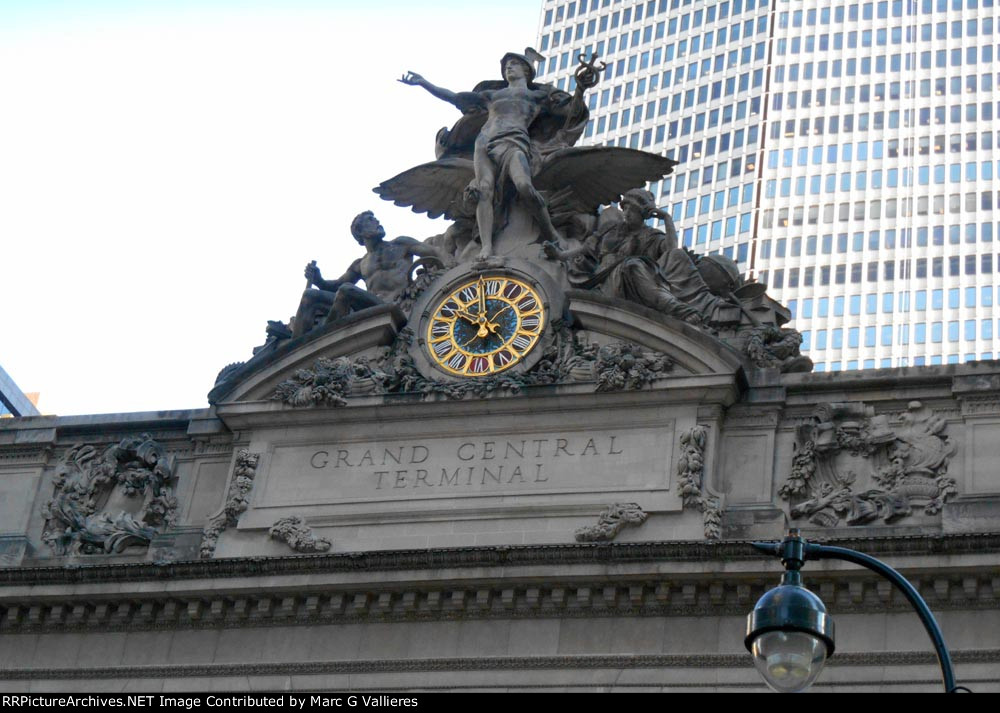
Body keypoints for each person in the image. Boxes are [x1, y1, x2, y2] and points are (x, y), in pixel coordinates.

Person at [400, 50, 589, 257]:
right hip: (484, 143)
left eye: (514, 64)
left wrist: (581, 88)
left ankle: (551, 234)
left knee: (524, 186)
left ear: (526, 70)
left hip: (514, 141)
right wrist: (424, 83)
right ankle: (487, 246)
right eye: (506, 65)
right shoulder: (492, 95)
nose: (508, 68)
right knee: (484, 190)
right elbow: (455, 97)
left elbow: (572, 113)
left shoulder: (539, 96)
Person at [543, 189, 702, 324]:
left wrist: (666, 218)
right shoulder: (610, 228)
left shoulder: (651, 235)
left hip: (633, 279)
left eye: (631, 209)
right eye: (624, 209)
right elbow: (585, 248)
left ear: (643, 212)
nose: (626, 213)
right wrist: (559, 254)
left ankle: (673, 307)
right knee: (632, 265)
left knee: (632, 265)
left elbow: (671, 250)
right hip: (603, 279)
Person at [291, 212, 442, 337]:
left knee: (346, 290)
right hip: (370, 307)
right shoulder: (360, 264)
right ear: (360, 232)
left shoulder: (401, 244)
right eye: (370, 220)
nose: (377, 220)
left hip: (396, 306)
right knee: (310, 295)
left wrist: (426, 276)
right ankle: (294, 349)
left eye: (375, 218)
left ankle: (326, 337)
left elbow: (432, 254)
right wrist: (318, 279)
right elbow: (334, 286)